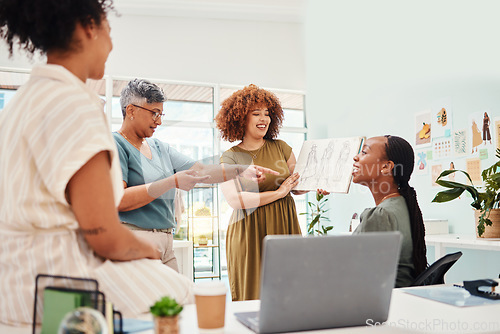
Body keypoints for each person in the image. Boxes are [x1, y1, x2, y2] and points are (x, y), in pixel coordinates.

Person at [0, 0, 191, 326]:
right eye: (109, 30)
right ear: (90, 26)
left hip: (12, 288)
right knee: (185, 296)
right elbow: (103, 234)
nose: (111, 44)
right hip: (60, 288)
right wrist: (149, 254)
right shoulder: (74, 102)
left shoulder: (19, 105)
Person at [114, 79, 277, 271]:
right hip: (136, 239)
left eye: (161, 113)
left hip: (166, 241)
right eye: (154, 113)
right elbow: (119, 199)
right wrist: (172, 182)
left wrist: (240, 170)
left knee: (179, 299)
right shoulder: (115, 144)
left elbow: (201, 171)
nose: (159, 120)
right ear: (131, 110)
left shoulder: (159, 147)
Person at [215, 84, 327, 301]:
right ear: (240, 118)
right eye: (256, 113)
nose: (263, 118)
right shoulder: (230, 157)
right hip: (248, 229)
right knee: (253, 293)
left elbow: (297, 186)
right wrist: (279, 193)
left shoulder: (281, 147)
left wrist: (316, 185)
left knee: (288, 288)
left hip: (284, 224)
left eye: (267, 113)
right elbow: (235, 200)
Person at [351, 135, 427, 287]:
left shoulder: (381, 216)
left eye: (364, 152)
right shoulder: (402, 204)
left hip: (385, 304)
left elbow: (357, 275)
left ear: (386, 166)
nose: (355, 157)